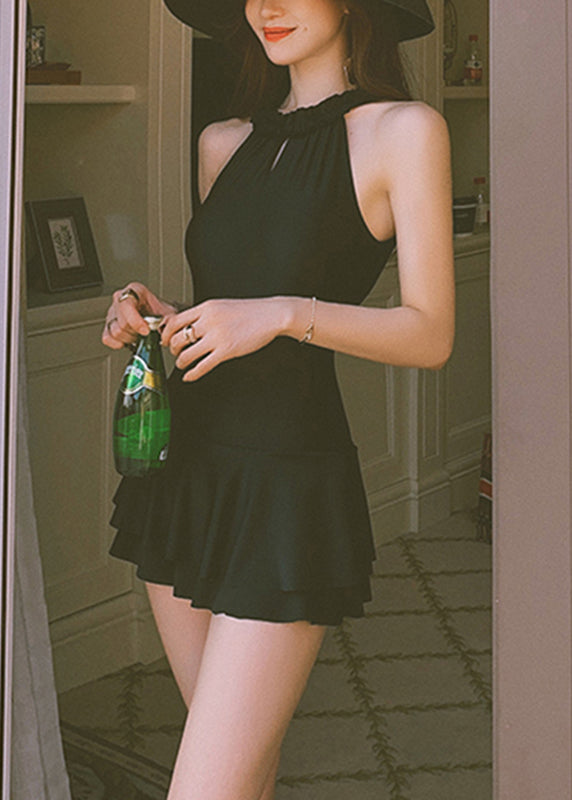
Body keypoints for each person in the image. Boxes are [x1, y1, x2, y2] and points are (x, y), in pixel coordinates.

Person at [102, 0, 454, 797]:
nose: (266, 5)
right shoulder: (221, 143)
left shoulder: (403, 131)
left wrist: (285, 314)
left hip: (287, 487)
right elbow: (226, 309)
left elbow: (431, 334)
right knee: (242, 780)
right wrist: (154, 315)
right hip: (182, 473)